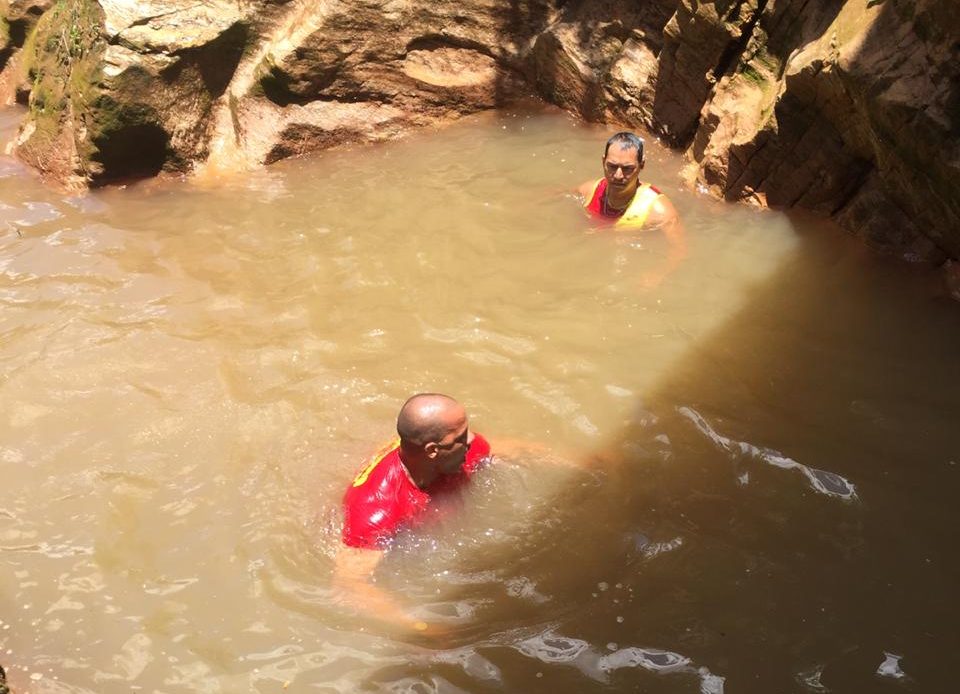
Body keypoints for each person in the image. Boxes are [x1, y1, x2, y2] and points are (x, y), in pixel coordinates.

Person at [333, 393, 492, 632]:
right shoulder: (376, 512)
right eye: (460, 437)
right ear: (432, 451)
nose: (470, 440)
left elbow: (511, 451)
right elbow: (347, 585)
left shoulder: (457, 451)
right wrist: (420, 627)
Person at [578, 131, 687, 287]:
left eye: (627, 168)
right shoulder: (589, 190)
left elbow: (680, 251)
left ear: (641, 166)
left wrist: (658, 274)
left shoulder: (660, 212)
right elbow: (557, 194)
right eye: (612, 166)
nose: (618, 175)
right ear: (603, 162)